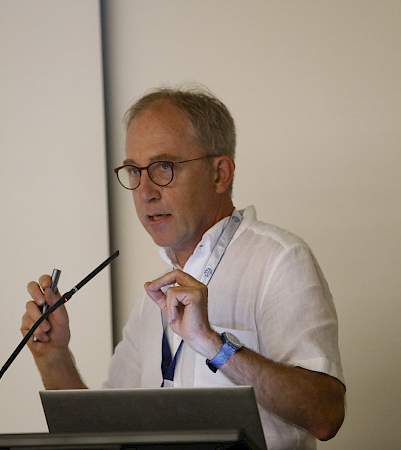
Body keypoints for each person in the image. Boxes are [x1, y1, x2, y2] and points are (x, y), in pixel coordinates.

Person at [22, 86, 346, 449]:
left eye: (164, 167)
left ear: (220, 173)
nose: (145, 191)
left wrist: (212, 344)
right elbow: (100, 433)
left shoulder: (279, 260)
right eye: (134, 170)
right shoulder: (153, 298)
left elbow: (326, 415)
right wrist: (53, 357)